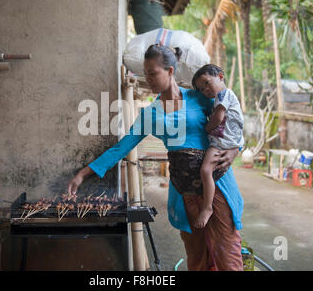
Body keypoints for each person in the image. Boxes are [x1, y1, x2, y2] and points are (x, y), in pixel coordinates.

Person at [67, 44, 244, 271]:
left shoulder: (199, 97)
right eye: (145, 74)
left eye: (153, 73)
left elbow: (233, 121)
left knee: (228, 255)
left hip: (217, 185)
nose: (148, 79)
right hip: (185, 191)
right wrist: (83, 174)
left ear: (170, 71)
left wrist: (236, 148)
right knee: (197, 258)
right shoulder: (150, 113)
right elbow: (122, 148)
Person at [191, 64, 245, 229]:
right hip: (230, 141)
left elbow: (219, 118)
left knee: (205, 171)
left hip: (222, 143)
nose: (205, 89)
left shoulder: (223, 94)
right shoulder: (222, 96)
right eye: (201, 89)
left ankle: (207, 208)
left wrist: (206, 128)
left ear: (221, 76)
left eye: (207, 83)